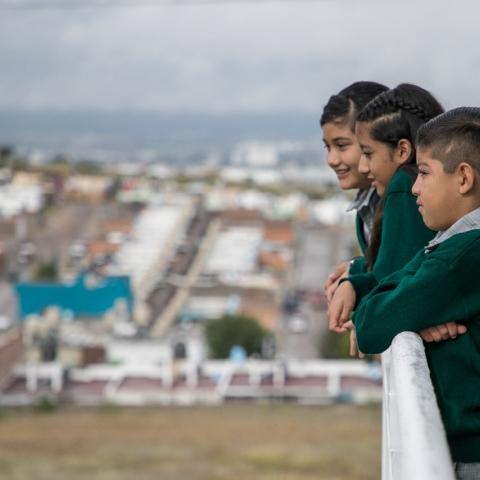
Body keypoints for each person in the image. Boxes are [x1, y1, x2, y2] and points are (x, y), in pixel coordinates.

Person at [336, 107, 480, 477]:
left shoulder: (461, 255)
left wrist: (403, 306)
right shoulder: (454, 247)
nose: (414, 187)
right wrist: (418, 319)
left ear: (463, 178)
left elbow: (370, 322)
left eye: (425, 174)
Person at [328, 84, 442, 336]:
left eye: (367, 153)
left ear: (402, 150)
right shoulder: (395, 192)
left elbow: (392, 293)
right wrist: (355, 279)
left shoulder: (404, 188)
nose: (363, 166)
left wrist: (360, 309)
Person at [321, 81, 388, 300]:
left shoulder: (405, 200)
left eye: (342, 146)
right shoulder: (367, 203)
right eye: (327, 147)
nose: (331, 159)